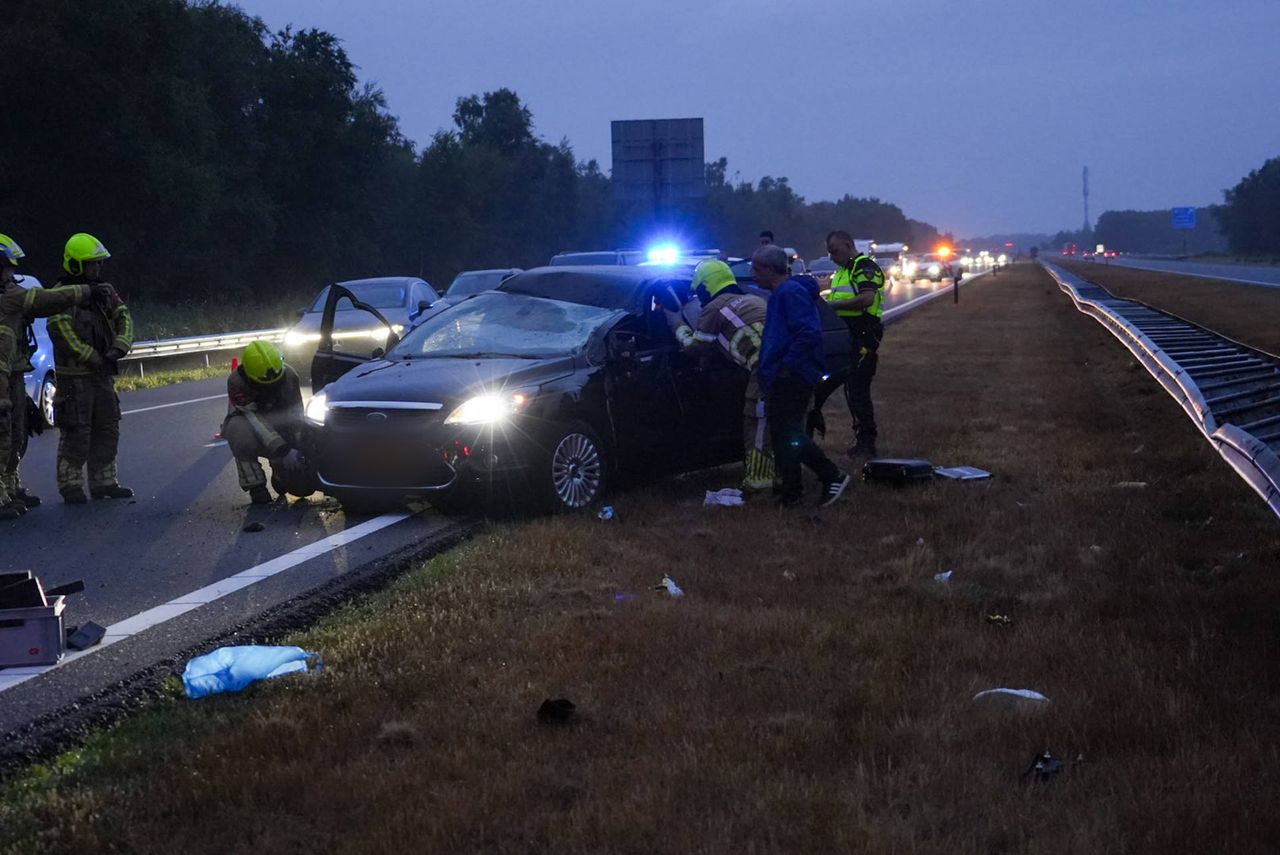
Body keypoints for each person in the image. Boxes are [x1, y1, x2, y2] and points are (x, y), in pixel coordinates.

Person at [0, 234, 99, 516]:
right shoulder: (9, 298)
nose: (12, 275)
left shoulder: (7, 294)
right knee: (2, 432)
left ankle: (9, 486)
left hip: (14, 372)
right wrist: (85, 291)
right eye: (8, 268)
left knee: (16, 432)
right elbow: (46, 300)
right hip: (3, 376)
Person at [751, 245, 850, 507]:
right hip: (781, 374)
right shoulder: (780, 293)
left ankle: (832, 475)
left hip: (792, 375)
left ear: (771, 269)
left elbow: (808, 333)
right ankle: (791, 492)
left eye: (756, 268)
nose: (752, 274)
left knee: (789, 433)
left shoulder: (790, 293)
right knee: (783, 434)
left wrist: (787, 366)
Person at [664, 259, 774, 492]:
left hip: (765, 372)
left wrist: (676, 325)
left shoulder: (714, 309)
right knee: (782, 424)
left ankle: (759, 482)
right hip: (791, 369)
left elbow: (696, 347)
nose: (699, 297)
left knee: (757, 424)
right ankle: (786, 475)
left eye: (700, 291)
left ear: (706, 286)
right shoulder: (755, 299)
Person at [47, 233, 134, 503]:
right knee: (77, 431)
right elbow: (59, 330)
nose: (97, 269)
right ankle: (70, 485)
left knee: (108, 427)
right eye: (91, 264)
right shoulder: (59, 295)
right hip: (75, 379)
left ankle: (104, 482)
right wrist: (92, 357)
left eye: (99, 264)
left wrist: (117, 349)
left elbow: (124, 318)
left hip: (102, 376)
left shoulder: (105, 292)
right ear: (75, 265)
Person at [818, 230, 886, 458]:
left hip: (863, 335)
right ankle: (862, 441)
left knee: (858, 390)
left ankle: (867, 443)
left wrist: (833, 307)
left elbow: (866, 298)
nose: (831, 256)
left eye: (834, 251)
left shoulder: (863, 266)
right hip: (848, 337)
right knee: (851, 389)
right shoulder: (843, 271)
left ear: (848, 244)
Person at [223, 340, 305, 504]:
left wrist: (299, 447)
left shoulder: (289, 376)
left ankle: (280, 474)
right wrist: (283, 450)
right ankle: (256, 487)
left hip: (282, 424)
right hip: (251, 425)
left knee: (301, 488)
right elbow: (255, 420)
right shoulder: (237, 383)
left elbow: (297, 415)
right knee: (238, 430)